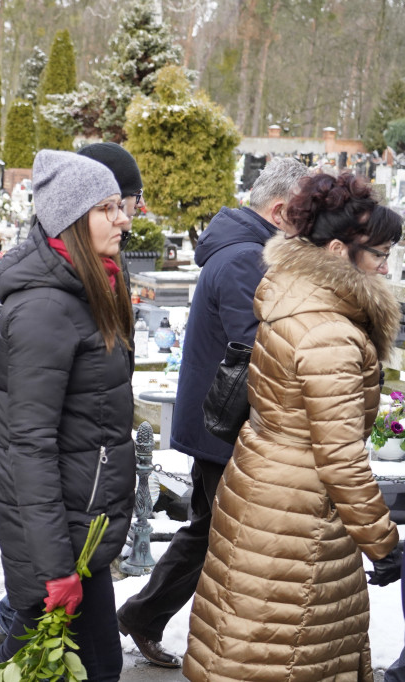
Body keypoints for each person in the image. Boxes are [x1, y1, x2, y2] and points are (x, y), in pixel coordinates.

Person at [184, 172, 402, 681]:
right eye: (379, 254)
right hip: (300, 515)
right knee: (289, 653)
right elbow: (340, 459)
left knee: (239, 644)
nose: (386, 267)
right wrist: (384, 544)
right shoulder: (330, 331)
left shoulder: (294, 292)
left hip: (261, 490)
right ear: (335, 250)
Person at [115, 157, 308, 667]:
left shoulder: (242, 247)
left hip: (217, 424)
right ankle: (149, 616)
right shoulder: (248, 257)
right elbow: (258, 347)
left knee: (209, 533)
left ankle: (146, 615)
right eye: (305, 217)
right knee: (215, 537)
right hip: (225, 428)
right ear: (282, 209)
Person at [0, 151, 135, 682]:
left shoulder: (89, 289)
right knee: (50, 661)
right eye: (108, 208)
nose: (124, 217)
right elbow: (27, 450)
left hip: (83, 524)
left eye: (120, 205)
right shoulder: (46, 311)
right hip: (57, 534)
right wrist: (56, 567)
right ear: (73, 220)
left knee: (89, 666)